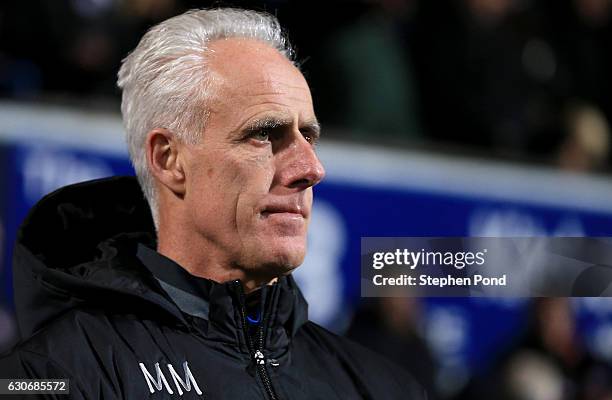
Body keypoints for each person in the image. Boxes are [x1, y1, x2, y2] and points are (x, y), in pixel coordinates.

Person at [0, 8, 426, 399]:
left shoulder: (383, 388)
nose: (311, 168)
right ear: (169, 160)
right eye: (264, 134)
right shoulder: (53, 376)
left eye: (308, 136)